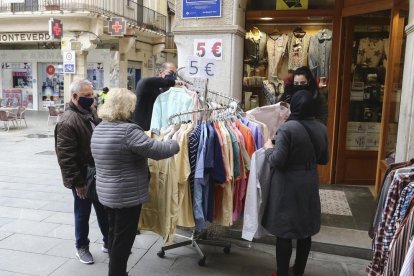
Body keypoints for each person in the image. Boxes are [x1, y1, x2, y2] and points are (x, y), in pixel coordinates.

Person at [91, 88, 180, 276]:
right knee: (123, 240)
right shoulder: (128, 130)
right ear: (127, 107)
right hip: (125, 195)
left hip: (107, 193)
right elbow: (156, 150)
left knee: (115, 235)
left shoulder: (100, 127)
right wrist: (175, 141)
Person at [262, 91, 329, 276]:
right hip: (309, 182)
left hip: (287, 185)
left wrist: (268, 147)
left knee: (284, 231)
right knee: (304, 230)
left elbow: (277, 161)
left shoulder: (288, 128)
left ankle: (282, 273)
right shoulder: (322, 128)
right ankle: (298, 271)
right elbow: (324, 159)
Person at [55, 79, 109, 264]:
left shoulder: (90, 111)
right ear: (75, 96)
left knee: (103, 209)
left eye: (91, 94)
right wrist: (77, 183)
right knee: (82, 212)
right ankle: (82, 247)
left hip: (97, 171)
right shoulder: (67, 122)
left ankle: (108, 242)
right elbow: (65, 158)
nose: (91, 98)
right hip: (82, 175)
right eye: (86, 96)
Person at [132, 62, 183, 131]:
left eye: (174, 74)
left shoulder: (167, 91)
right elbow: (149, 81)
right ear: (160, 73)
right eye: (170, 73)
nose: (173, 77)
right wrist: (174, 82)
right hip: (141, 128)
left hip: (157, 129)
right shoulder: (146, 85)